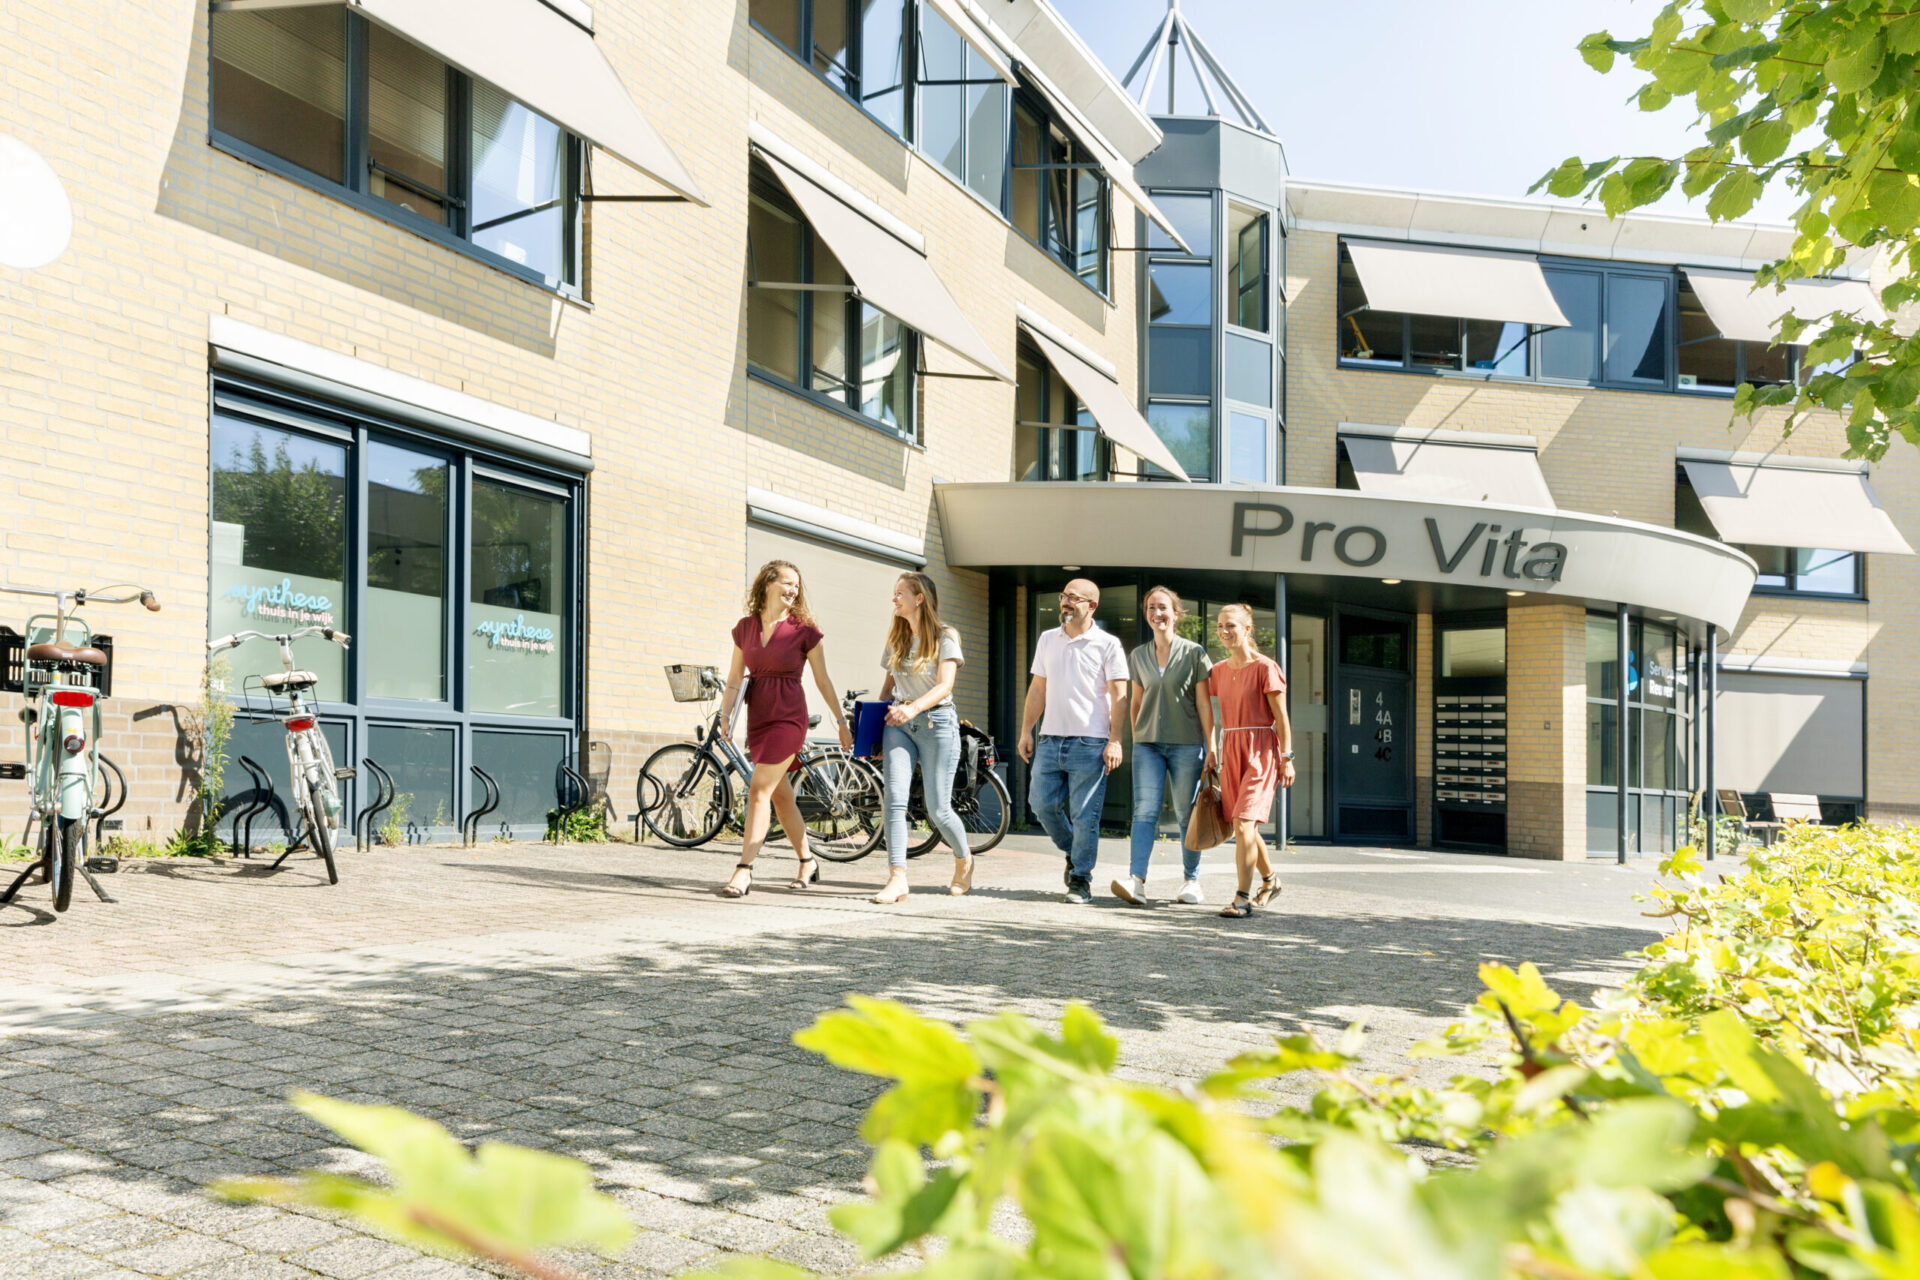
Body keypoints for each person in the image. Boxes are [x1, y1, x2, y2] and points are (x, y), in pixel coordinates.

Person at [717, 560, 852, 898]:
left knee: (759, 789)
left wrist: (841, 721)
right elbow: (735, 678)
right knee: (781, 796)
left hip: (789, 718)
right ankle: (808, 861)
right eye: (787, 583)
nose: (794, 590)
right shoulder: (745, 628)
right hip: (758, 720)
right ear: (767, 583)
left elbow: (822, 680)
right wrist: (725, 713)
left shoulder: (804, 629)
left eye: (797, 585)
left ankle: (744, 869)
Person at [1018, 578, 1128, 904]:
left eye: (1073, 599)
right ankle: (1074, 850)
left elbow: (1120, 695)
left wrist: (1116, 741)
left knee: (1085, 816)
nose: (1065, 603)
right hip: (1051, 739)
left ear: (1092, 606)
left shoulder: (1107, 644)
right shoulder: (1047, 639)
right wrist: (1027, 730)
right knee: (1041, 805)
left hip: (1091, 743)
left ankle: (1080, 878)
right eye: (1064, 596)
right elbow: (1038, 688)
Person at [870, 573, 974, 904]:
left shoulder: (945, 637)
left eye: (900, 593)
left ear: (920, 598)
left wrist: (913, 708)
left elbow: (945, 685)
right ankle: (897, 878)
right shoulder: (897, 640)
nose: (894, 599)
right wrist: (872, 731)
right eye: (894, 593)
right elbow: (887, 690)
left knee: (938, 809)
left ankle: (964, 859)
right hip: (898, 725)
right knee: (895, 801)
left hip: (937, 725)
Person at [1113, 586, 1215, 907]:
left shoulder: (1194, 653)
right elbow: (1136, 702)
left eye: (1163, 608)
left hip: (1187, 745)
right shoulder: (1138, 656)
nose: (1157, 613)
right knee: (1144, 812)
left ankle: (1192, 882)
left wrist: (1213, 747)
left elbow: (1204, 705)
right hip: (1148, 746)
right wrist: (1137, 737)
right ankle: (1136, 882)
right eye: (1151, 608)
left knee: (1187, 814)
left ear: (1175, 613)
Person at [1206, 603, 1294, 919]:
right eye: (1219, 626)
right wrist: (1212, 750)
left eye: (1230, 625)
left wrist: (1288, 757)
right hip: (1231, 748)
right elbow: (1210, 716)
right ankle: (1271, 881)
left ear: (1247, 629)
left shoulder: (1266, 668)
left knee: (1245, 822)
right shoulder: (1217, 671)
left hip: (1262, 749)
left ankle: (1241, 897)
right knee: (1241, 825)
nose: (1224, 631)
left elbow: (1281, 717)